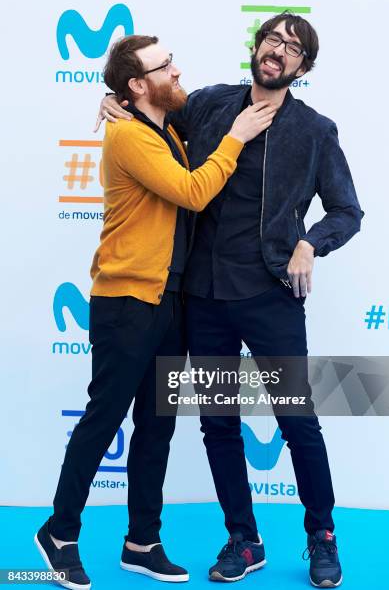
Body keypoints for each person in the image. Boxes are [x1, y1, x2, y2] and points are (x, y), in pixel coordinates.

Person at [98, 12, 363, 588]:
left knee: (298, 422)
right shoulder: (211, 104)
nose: (278, 50)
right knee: (219, 423)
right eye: (272, 39)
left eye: (292, 47)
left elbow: (348, 211)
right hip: (204, 295)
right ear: (258, 47)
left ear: (302, 66)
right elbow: (149, 109)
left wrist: (309, 244)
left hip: (271, 296)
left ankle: (322, 535)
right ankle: (243, 538)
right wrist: (112, 104)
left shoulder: (316, 131)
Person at [35, 35, 275, 590]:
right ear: (137, 85)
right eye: (163, 66)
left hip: (169, 301)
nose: (176, 70)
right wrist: (236, 138)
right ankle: (59, 533)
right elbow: (192, 192)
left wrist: (114, 96)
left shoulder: (166, 126)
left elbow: (201, 110)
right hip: (125, 302)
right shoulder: (129, 137)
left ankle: (142, 541)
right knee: (104, 419)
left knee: (157, 427)